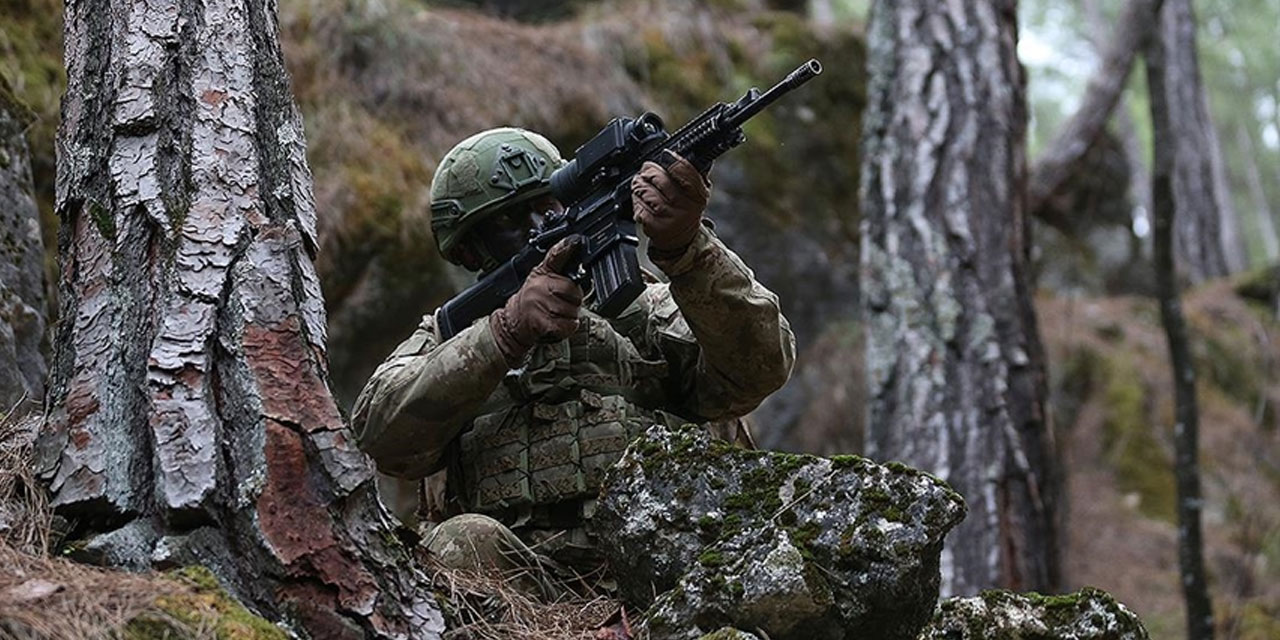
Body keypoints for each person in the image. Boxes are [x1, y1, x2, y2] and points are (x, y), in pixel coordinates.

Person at [351, 127, 795, 585]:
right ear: (468, 249)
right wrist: (503, 334)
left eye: (548, 206)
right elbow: (378, 435)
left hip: (659, 568)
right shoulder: (450, 335)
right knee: (461, 542)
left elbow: (762, 366)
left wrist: (688, 248)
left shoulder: (649, 307)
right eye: (509, 220)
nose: (537, 227)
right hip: (521, 588)